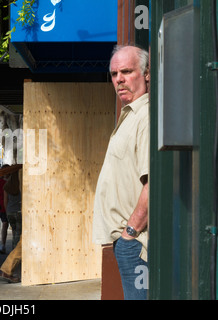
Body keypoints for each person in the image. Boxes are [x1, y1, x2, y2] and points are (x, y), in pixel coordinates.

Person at [92, 45, 150, 300]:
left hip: (136, 243)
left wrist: (131, 233)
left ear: (146, 74)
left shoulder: (146, 116)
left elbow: (154, 183)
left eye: (127, 71)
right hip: (128, 241)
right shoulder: (129, 115)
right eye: (115, 74)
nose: (119, 80)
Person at [3, 170, 22, 249]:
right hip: (19, 211)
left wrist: (7, 212)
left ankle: (13, 249)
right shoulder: (21, 185)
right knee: (18, 233)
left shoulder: (7, 186)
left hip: (10, 212)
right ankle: (16, 252)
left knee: (14, 232)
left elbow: (5, 201)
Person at [0, 165, 9, 254]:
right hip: (3, 206)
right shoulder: (0, 181)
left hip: (9, 205)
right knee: (5, 224)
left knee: (6, 224)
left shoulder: (12, 180)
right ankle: (2, 244)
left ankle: (3, 245)